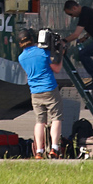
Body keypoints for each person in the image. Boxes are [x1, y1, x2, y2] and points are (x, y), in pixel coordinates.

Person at [18, 28, 63, 158]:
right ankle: (54, 147)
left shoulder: (21, 57)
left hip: (35, 92)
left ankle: (39, 151)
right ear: (33, 39)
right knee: (56, 118)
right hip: (50, 89)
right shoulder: (44, 52)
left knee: (40, 121)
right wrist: (60, 52)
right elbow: (57, 68)